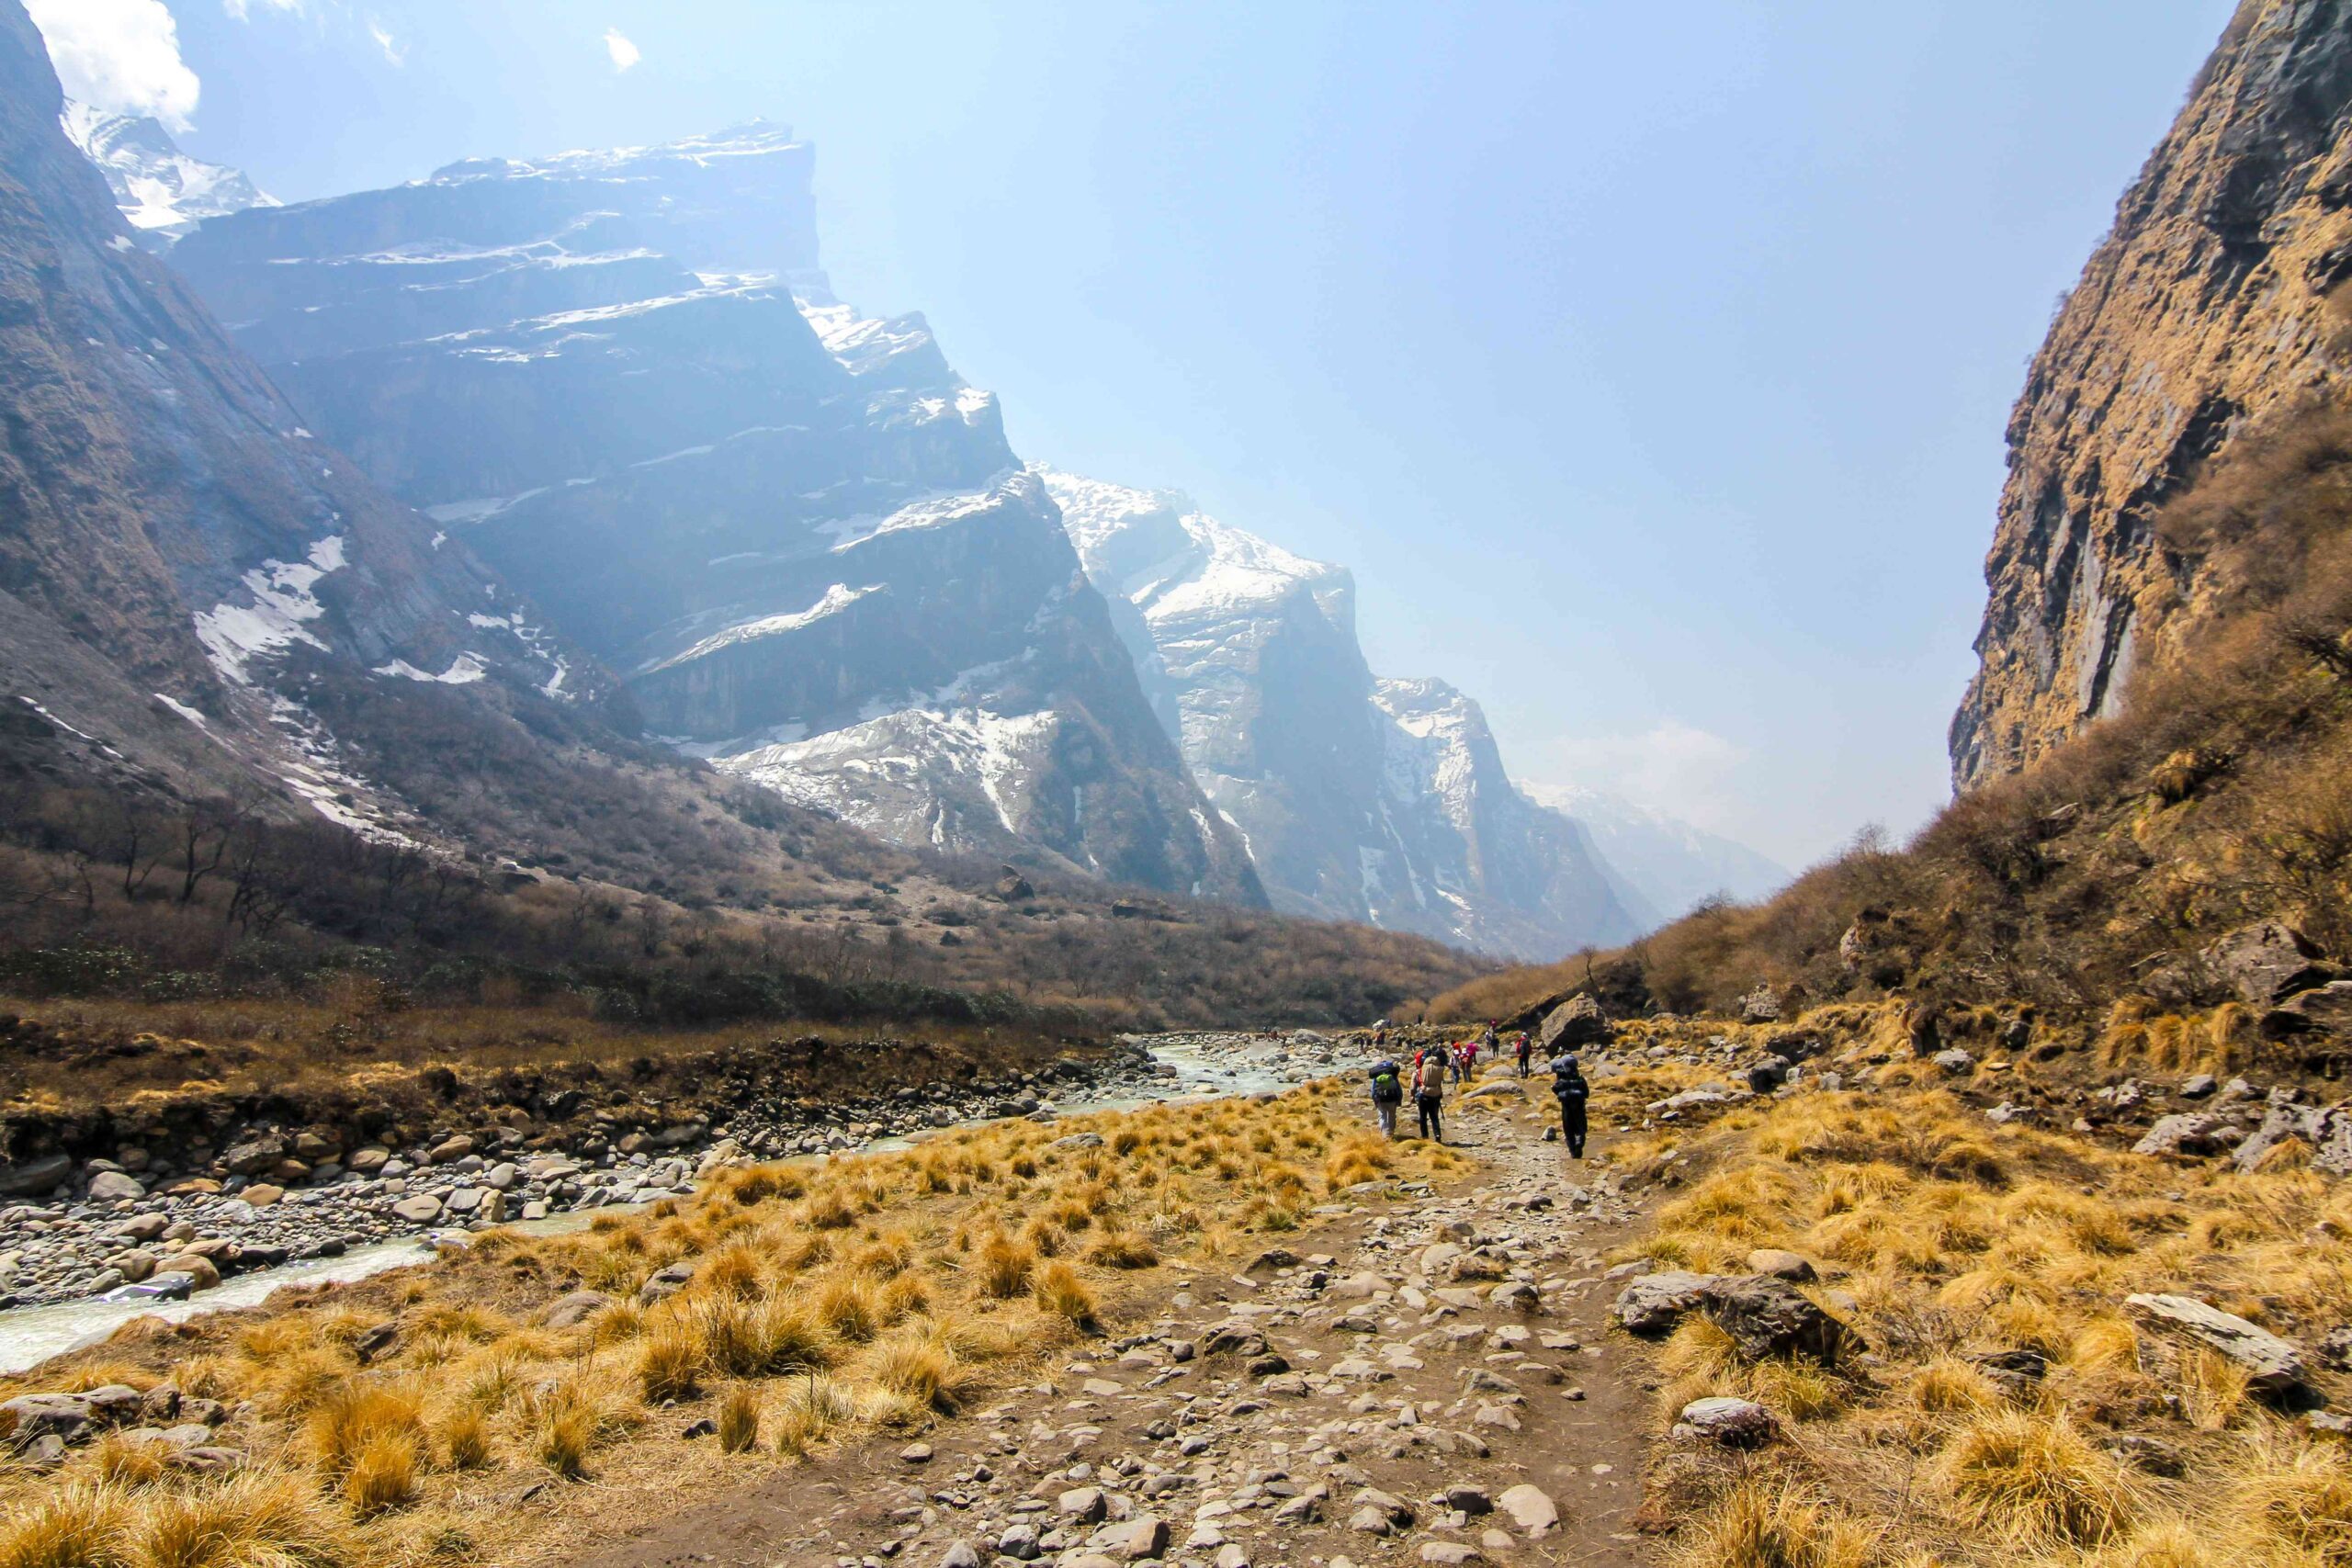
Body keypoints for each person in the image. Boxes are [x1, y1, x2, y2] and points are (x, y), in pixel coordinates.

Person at [1552, 1052, 1590, 1158]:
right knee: (1580, 1126)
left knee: (1568, 1128)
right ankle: (1579, 1142)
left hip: (1566, 1105)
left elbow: (1555, 1088)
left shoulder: (1561, 1078)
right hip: (1579, 1104)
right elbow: (1586, 1093)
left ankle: (1573, 1150)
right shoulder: (1580, 1078)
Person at [1413, 1049, 1447, 1142]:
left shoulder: (1419, 1070)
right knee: (1434, 1116)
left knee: (1423, 1117)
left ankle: (1425, 1136)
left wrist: (1412, 1096)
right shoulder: (1440, 1069)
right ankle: (1437, 1135)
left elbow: (1413, 1087)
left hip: (1423, 1093)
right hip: (1436, 1093)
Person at [1368, 1057, 1405, 1138]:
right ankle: (1391, 1133)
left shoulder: (1377, 1074)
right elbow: (1398, 1087)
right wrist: (1399, 1098)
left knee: (1382, 1116)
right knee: (1392, 1115)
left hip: (1380, 1098)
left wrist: (1374, 1099)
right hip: (1392, 1097)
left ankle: (1384, 1135)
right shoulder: (1392, 1073)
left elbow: (1373, 1088)